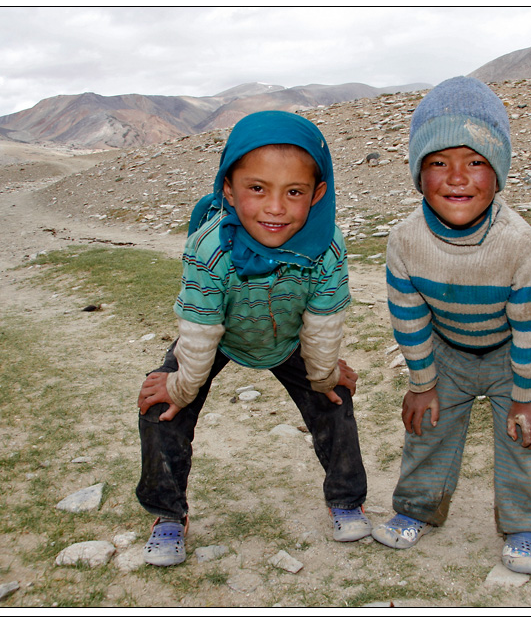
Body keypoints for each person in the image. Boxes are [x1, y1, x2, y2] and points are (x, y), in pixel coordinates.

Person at [135, 111, 370, 567]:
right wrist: (180, 386)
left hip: (289, 337)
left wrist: (324, 376)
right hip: (218, 337)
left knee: (335, 398)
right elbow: (201, 331)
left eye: (295, 192)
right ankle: (167, 514)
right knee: (160, 404)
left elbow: (322, 322)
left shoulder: (327, 247)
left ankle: (346, 499)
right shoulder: (209, 248)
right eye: (257, 188)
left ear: (318, 194)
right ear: (228, 187)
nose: (275, 207)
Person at [371, 77, 531, 575]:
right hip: (445, 351)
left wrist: (525, 393)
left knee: (524, 436)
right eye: (438, 163)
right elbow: (408, 317)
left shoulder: (522, 244)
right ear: (417, 174)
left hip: (509, 354)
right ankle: (416, 510)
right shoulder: (406, 240)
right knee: (425, 429)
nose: (457, 178)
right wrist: (423, 383)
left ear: (498, 174)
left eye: (475, 162)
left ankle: (526, 526)